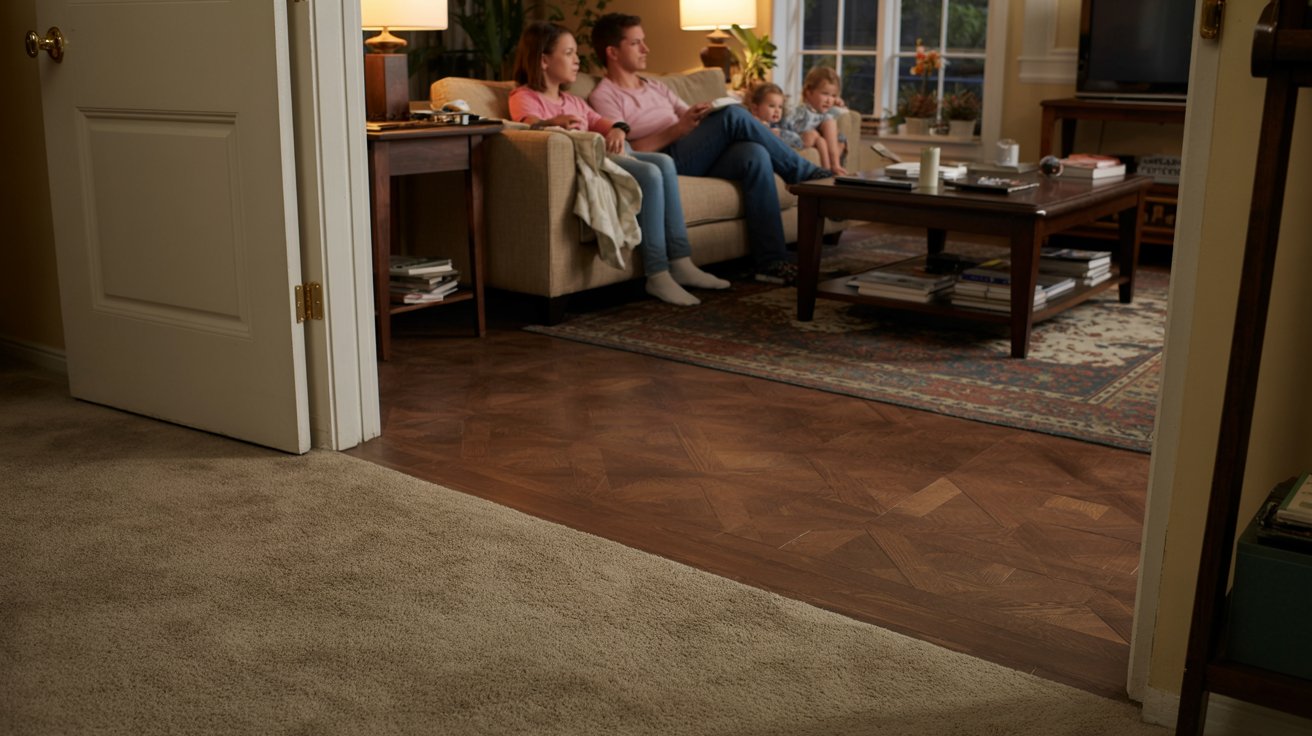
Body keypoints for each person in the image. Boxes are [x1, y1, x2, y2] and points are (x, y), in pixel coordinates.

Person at [587, 13, 832, 285]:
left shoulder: (654, 85)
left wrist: (702, 113)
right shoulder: (604, 96)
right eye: (636, 43)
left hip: (693, 151)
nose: (646, 49)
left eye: (644, 42)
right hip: (663, 161)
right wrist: (679, 129)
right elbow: (627, 151)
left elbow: (685, 114)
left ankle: (771, 261)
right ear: (613, 52)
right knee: (735, 117)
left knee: (755, 153)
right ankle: (808, 176)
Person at [508, 21, 730, 306]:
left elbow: (606, 122)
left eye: (576, 52)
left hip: (612, 152)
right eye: (568, 52)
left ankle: (681, 260)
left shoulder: (573, 100)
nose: (577, 59)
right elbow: (528, 126)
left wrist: (617, 129)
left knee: (663, 162)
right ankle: (657, 273)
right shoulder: (524, 96)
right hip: (591, 160)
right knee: (650, 173)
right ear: (543, 60)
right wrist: (552, 122)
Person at [779, 66, 849, 175]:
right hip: (805, 136)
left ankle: (833, 167)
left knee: (833, 130)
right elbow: (785, 125)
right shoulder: (801, 111)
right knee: (827, 126)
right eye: (825, 94)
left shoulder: (825, 113)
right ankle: (833, 167)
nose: (829, 100)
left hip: (822, 138)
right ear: (808, 92)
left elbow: (843, 112)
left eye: (833, 95)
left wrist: (838, 103)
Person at [745, 82, 803, 151]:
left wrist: (781, 134)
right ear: (755, 109)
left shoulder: (780, 125)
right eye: (772, 106)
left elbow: (799, 141)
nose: (777, 111)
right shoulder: (750, 124)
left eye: (780, 107)